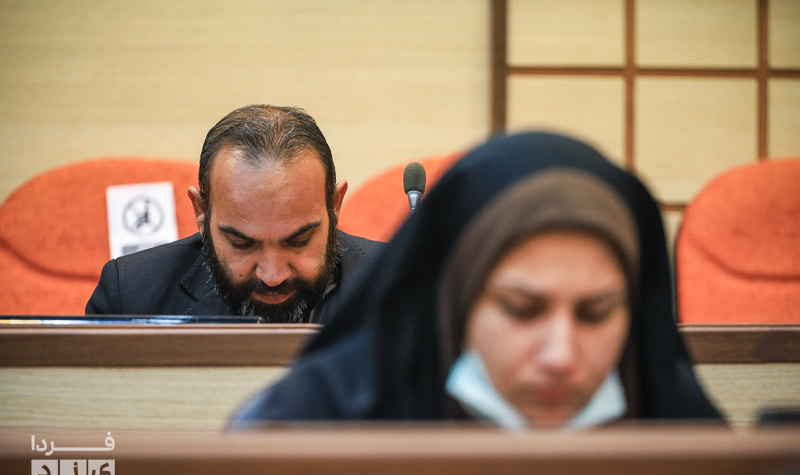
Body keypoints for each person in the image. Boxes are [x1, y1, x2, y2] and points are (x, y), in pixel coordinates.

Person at [229, 131, 721, 426]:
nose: (560, 357)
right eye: (521, 309)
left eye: (596, 313)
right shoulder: (308, 426)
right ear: (456, 300)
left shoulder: (697, 448)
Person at [86, 105, 383, 323]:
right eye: (242, 244)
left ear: (334, 205)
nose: (272, 276)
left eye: (299, 241)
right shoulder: (131, 298)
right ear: (202, 212)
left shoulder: (398, 287)